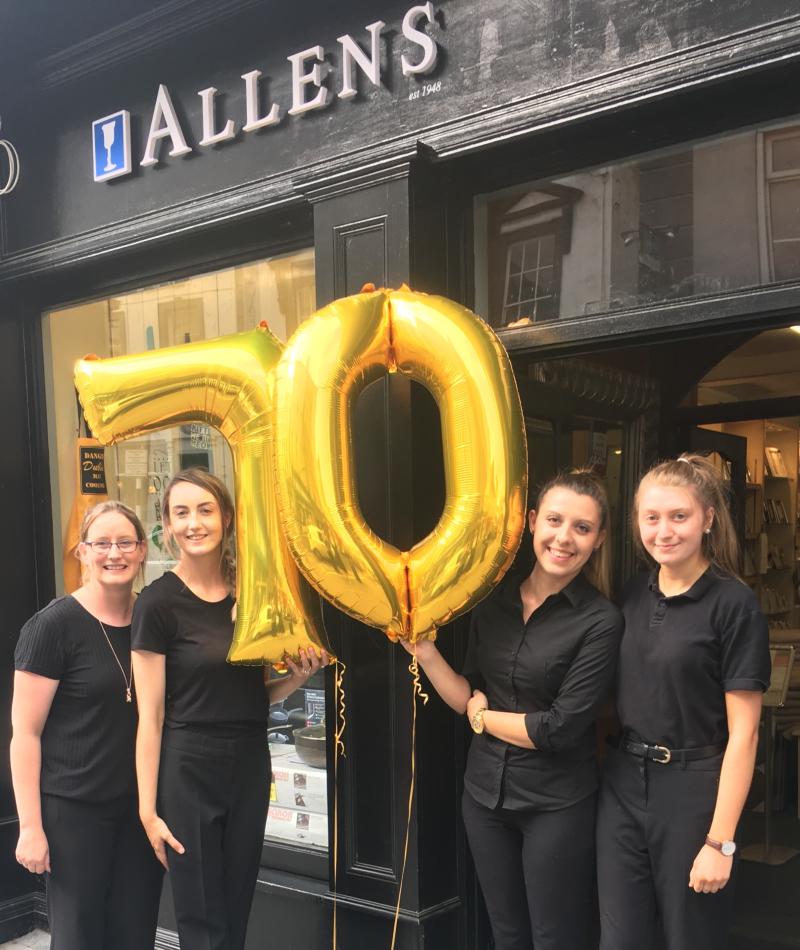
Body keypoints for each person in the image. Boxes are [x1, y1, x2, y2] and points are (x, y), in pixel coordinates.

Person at [405, 469, 623, 950]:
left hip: (556, 804)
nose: (564, 537)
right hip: (484, 798)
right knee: (506, 933)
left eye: (582, 528)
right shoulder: (493, 603)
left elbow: (558, 729)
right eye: (554, 520)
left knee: (554, 937)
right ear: (531, 522)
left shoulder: (601, 621)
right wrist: (424, 652)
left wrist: (482, 720)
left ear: (598, 539)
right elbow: (468, 693)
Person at [132, 468, 327, 950]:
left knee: (237, 905)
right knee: (201, 918)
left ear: (227, 518)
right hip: (188, 767)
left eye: (205, 509)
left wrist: (299, 676)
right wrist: (147, 811)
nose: (194, 522)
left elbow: (251, 697)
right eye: (182, 512)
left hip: (247, 761)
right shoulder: (157, 604)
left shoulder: (252, 596)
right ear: (167, 524)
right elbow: (150, 718)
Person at [597, 453, 771, 950]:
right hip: (623, 784)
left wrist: (720, 841)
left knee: (690, 937)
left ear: (708, 519)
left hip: (695, 791)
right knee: (620, 939)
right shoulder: (631, 594)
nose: (664, 531)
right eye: (651, 518)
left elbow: (746, 733)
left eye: (679, 516)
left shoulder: (733, 604)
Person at [10, 501, 163, 950]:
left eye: (124, 543)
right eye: (101, 543)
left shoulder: (155, 619)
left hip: (141, 810)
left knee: (135, 934)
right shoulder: (52, 626)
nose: (113, 553)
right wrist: (30, 826)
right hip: (73, 813)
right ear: (82, 552)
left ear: (141, 552)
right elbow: (25, 734)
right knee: (80, 937)